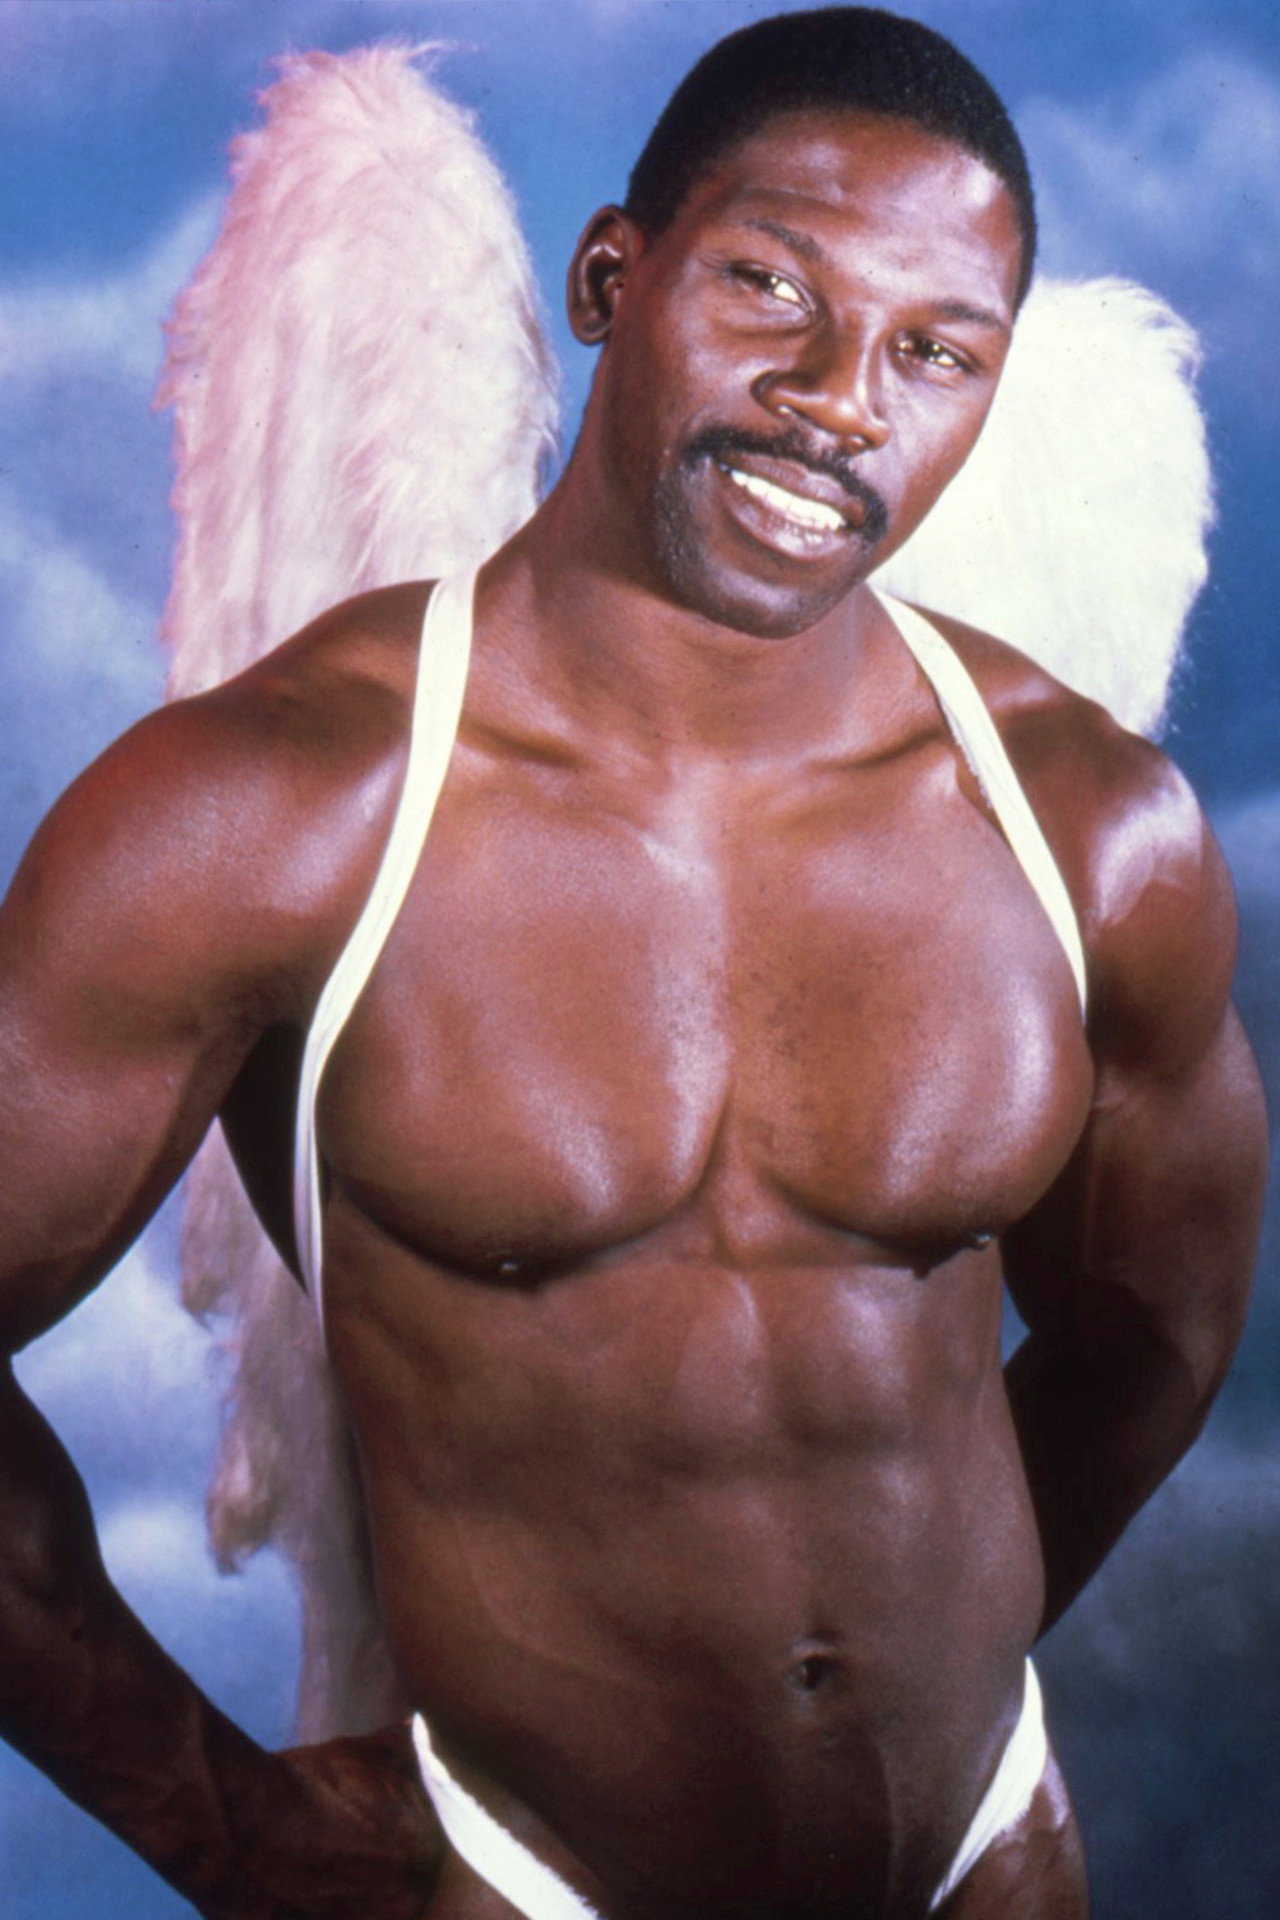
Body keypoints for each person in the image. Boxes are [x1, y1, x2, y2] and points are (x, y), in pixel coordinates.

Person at [0, 8, 1266, 1918]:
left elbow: (1159, 1332)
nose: (840, 401)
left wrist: (949, 1671)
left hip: (991, 1858)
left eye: (933, 352)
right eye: (774, 286)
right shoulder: (274, 815)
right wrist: (220, 1830)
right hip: (530, 1874)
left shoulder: (1087, 827)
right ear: (613, 278)